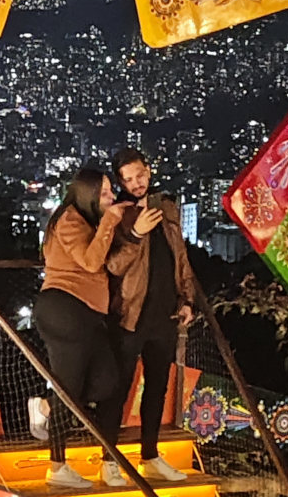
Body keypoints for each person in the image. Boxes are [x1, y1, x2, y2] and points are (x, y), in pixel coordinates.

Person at [32, 167, 156, 489]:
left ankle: (45, 405)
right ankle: (57, 466)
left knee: (107, 383)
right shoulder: (69, 220)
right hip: (64, 308)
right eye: (103, 193)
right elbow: (90, 261)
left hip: (88, 314)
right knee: (69, 386)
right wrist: (110, 221)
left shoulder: (88, 220)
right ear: (86, 193)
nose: (110, 198)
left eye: (110, 191)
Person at [104, 148, 196, 482]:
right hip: (130, 314)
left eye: (139, 175)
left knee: (157, 389)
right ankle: (108, 459)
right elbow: (112, 265)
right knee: (118, 390)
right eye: (128, 179)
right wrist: (135, 233)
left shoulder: (166, 206)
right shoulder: (118, 214)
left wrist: (187, 299)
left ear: (149, 170)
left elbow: (180, 256)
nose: (136, 183)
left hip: (166, 314)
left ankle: (151, 455)